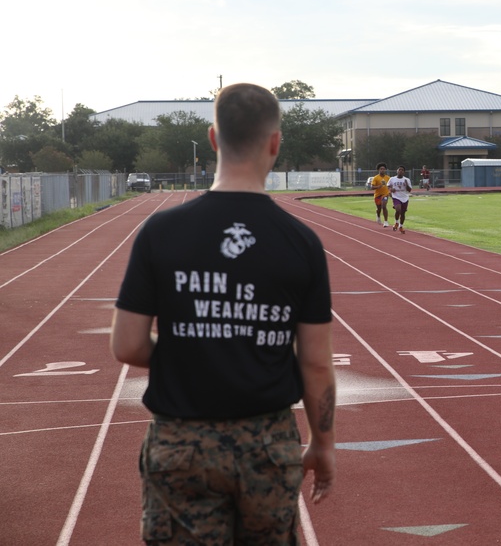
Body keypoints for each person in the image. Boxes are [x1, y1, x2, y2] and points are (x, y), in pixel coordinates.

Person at [110, 83, 337, 544]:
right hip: (268, 444)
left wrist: (197, 349)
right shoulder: (300, 242)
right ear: (275, 143)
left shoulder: (161, 231)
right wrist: (324, 444)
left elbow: (127, 345)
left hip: (180, 444)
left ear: (213, 139)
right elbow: (315, 361)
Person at [388, 165, 412, 233]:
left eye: (402, 170)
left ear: (404, 172)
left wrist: (406, 184)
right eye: (399, 170)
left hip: (404, 197)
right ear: (397, 171)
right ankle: (396, 222)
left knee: (403, 213)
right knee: (398, 209)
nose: (400, 171)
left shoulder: (407, 180)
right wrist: (390, 189)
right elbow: (388, 186)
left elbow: (409, 190)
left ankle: (401, 226)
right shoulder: (392, 179)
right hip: (396, 196)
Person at [371, 162, 392, 227]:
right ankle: (378, 215)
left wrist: (390, 192)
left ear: (385, 170)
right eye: (381, 169)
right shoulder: (376, 178)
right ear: (378, 170)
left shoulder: (388, 178)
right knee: (379, 208)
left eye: (383, 169)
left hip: (385, 194)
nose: (382, 170)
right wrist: (378, 187)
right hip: (377, 195)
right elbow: (372, 187)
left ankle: (386, 221)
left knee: (384, 206)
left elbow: (391, 186)